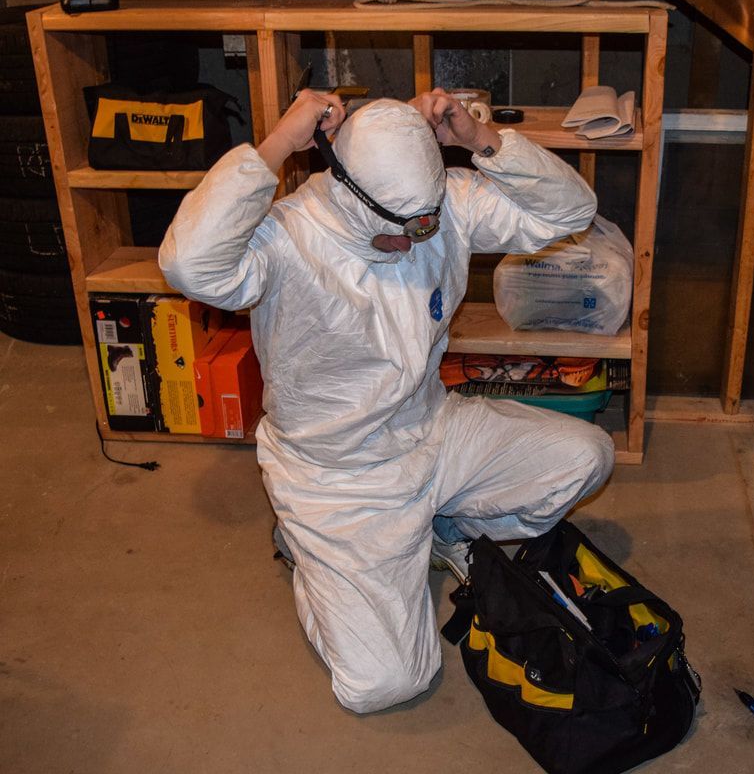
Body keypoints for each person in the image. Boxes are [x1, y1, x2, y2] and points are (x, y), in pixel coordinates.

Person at [159, 87, 615, 714]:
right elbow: (188, 265)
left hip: (434, 432)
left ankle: (439, 525)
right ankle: (313, 551)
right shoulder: (284, 238)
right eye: (391, 227)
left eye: (421, 225)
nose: (409, 242)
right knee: (387, 682)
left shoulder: (443, 206)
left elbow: (572, 211)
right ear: (343, 186)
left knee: (587, 456)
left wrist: (479, 139)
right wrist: (280, 142)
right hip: (338, 477)